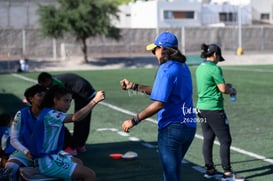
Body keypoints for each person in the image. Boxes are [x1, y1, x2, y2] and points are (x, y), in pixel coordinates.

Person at [120, 32, 196, 181]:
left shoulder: (166, 69)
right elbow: (161, 92)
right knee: (173, 173)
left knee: (171, 176)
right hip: (189, 128)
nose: (153, 53)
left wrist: (134, 120)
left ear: (161, 48)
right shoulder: (182, 66)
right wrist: (134, 86)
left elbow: (160, 102)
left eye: (154, 49)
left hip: (171, 128)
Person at [31, 85, 105, 181]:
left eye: (70, 101)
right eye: (65, 101)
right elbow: (76, 118)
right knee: (89, 175)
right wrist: (95, 100)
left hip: (51, 156)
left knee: (78, 162)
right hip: (48, 161)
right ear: (55, 100)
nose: (68, 104)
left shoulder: (47, 112)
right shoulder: (51, 114)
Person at [195, 43, 244, 181]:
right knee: (225, 140)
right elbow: (223, 89)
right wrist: (232, 90)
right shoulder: (214, 69)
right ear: (215, 55)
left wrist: (223, 86)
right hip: (214, 109)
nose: (218, 60)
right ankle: (227, 173)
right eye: (218, 57)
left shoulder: (200, 68)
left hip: (201, 108)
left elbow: (212, 86)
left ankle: (209, 170)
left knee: (208, 138)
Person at [37, 72, 96, 155]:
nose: (45, 87)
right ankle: (78, 145)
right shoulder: (54, 80)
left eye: (45, 85)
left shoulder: (58, 84)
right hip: (82, 91)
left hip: (83, 93)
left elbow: (62, 98)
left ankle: (75, 145)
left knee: (81, 119)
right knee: (80, 119)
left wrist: (94, 101)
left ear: (47, 80)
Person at [5, 84, 47, 181]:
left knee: (74, 164)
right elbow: (13, 139)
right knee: (10, 166)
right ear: (31, 98)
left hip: (46, 153)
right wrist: (26, 152)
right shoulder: (21, 114)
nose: (44, 98)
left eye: (46, 96)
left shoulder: (51, 114)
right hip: (24, 153)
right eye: (40, 95)